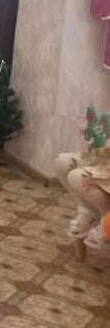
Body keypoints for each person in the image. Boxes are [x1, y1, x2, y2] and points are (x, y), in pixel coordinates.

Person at [53, 106, 110, 247]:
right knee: (61, 162)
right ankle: (87, 211)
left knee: (78, 177)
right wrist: (92, 133)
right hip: (105, 160)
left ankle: (107, 218)